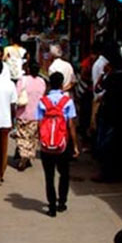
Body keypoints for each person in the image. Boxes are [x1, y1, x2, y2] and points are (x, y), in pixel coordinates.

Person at [37, 71, 80, 216]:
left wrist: (41, 141)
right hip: (63, 143)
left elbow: (39, 123)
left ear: (49, 84)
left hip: (46, 145)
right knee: (64, 174)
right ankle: (62, 202)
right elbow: (71, 125)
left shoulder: (43, 102)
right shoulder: (67, 102)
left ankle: (51, 206)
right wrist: (74, 145)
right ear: (62, 84)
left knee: (49, 177)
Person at [13, 61, 46, 170]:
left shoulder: (23, 80)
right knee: (32, 138)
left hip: (23, 113)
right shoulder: (42, 82)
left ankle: (23, 155)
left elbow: (16, 95)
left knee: (22, 136)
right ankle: (28, 156)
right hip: (36, 114)